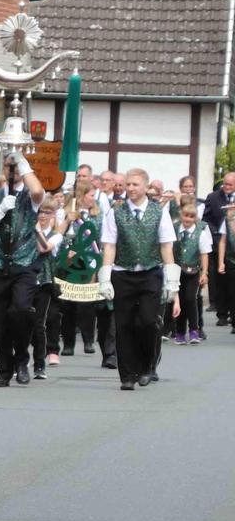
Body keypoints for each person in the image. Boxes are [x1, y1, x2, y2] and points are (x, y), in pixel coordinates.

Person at [98, 167, 178, 391]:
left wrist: (172, 281)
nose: (130, 189)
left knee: (147, 322)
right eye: (128, 185)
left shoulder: (158, 212)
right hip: (123, 273)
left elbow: (166, 246)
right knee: (123, 325)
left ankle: (146, 365)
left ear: (145, 186)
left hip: (151, 272)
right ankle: (127, 374)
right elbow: (110, 246)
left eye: (135, 185)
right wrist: (105, 276)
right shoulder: (116, 212)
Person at [0, 150, 47, 387]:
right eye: (8, 166)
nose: (11, 170)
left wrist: (23, 163)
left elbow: (38, 191)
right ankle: (4, 369)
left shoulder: (29, 196)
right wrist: (1, 210)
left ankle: (22, 360)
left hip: (24, 262)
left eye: (13, 166)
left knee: (21, 310)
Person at [54, 189, 104, 356]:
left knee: (87, 306)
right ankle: (68, 343)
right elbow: (56, 239)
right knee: (67, 307)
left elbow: (96, 243)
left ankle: (89, 340)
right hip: (66, 267)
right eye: (90, 194)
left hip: (86, 266)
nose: (93, 198)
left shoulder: (95, 217)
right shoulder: (63, 216)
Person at [171, 201, 212, 344]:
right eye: (185, 216)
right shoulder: (175, 229)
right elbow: (169, 249)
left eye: (191, 217)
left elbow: (204, 254)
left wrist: (204, 272)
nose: (188, 219)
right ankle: (180, 332)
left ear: (195, 218)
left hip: (193, 271)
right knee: (179, 300)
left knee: (190, 298)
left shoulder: (200, 233)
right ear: (181, 216)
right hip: (177, 271)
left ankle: (194, 330)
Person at [30, 203, 63, 376]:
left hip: (44, 283)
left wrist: (36, 230)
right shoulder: (27, 232)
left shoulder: (56, 236)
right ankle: (20, 359)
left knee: (39, 323)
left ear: (53, 215)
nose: (42, 216)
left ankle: (39, 364)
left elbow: (44, 247)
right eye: (39, 212)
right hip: (26, 281)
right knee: (21, 320)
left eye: (47, 212)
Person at [204, 170, 235, 326]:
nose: (226, 187)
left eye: (230, 184)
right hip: (219, 244)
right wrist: (215, 232)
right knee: (221, 281)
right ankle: (222, 314)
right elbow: (206, 219)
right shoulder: (213, 197)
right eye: (225, 184)